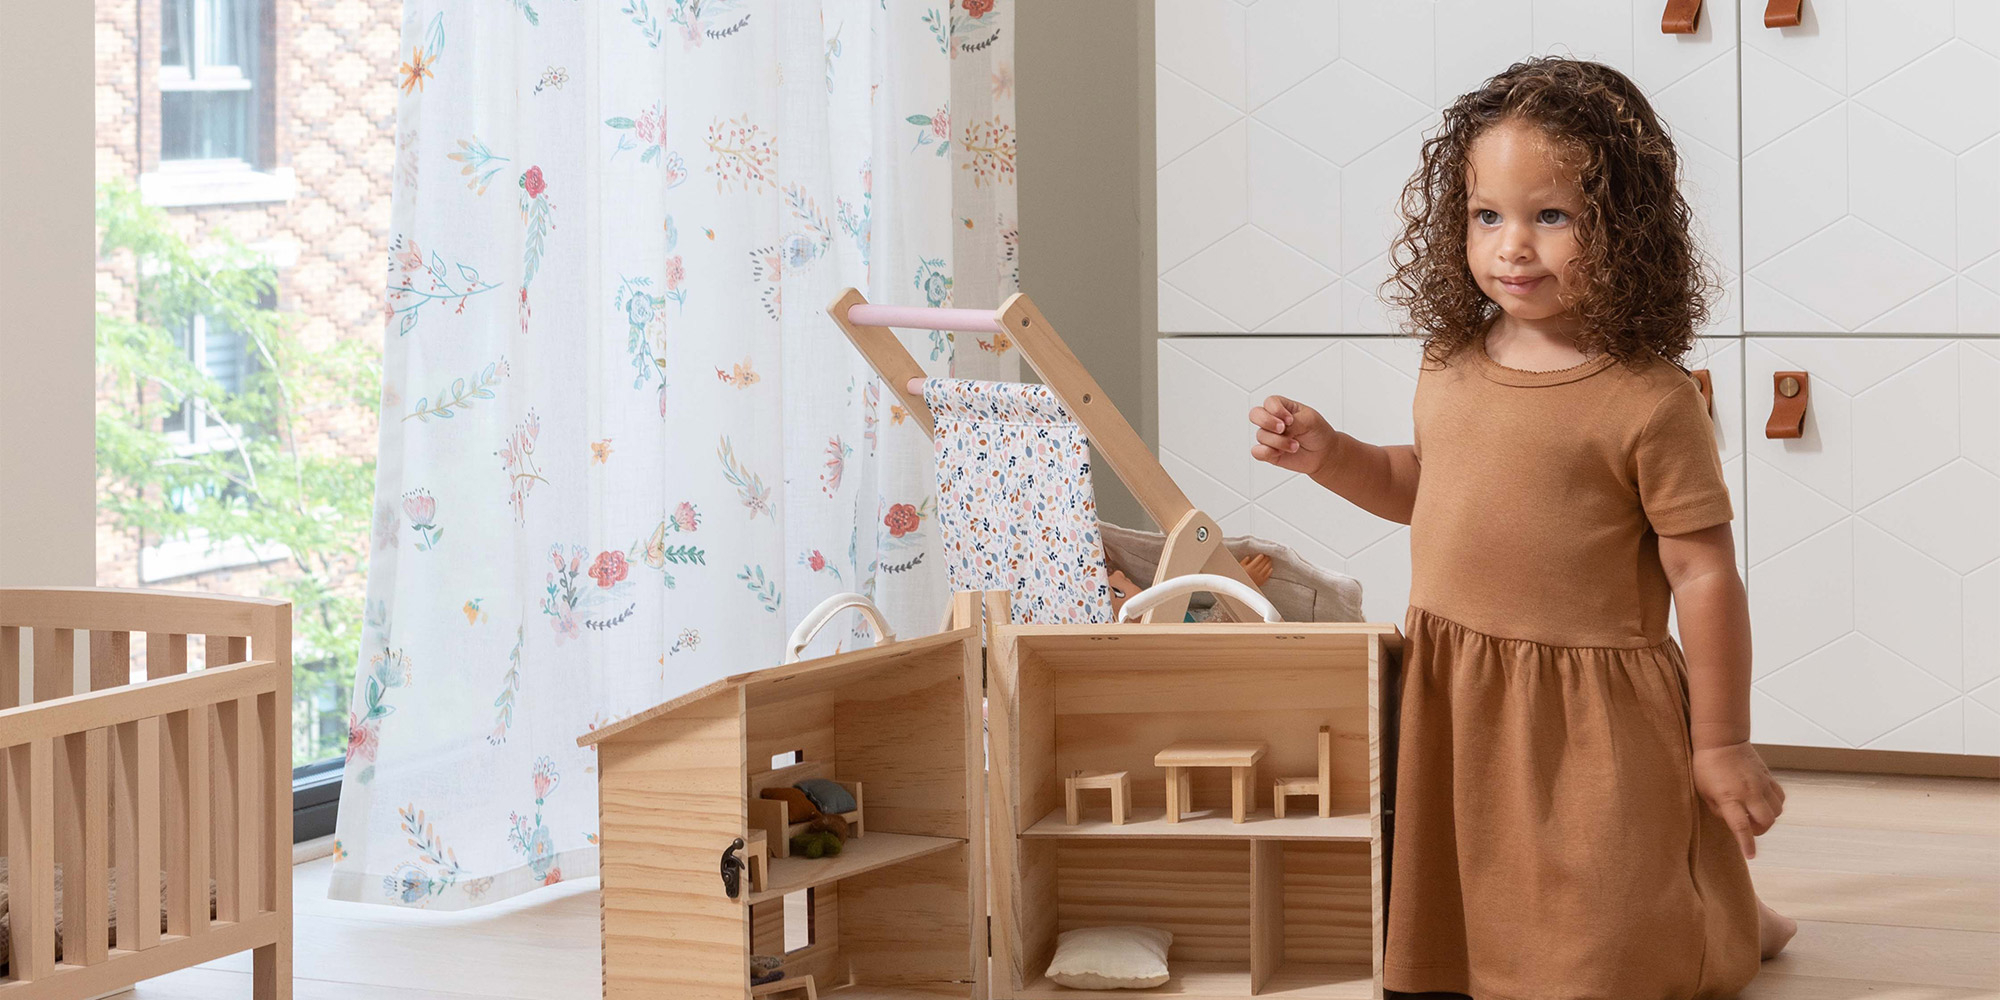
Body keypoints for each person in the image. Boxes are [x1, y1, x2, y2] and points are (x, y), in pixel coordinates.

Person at [1248, 57, 1795, 998]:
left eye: (1553, 216)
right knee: (1479, 898)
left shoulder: (1651, 398)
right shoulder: (1452, 361)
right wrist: (1332, 454)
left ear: (1626, 228)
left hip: (1596, 705)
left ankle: (1720, 922)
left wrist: (1722, 742)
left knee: (1607, 917)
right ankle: (1700, 910)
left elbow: (1705, 577)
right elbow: (1421, 483)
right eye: (1485, 215)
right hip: (1456, 680)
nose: (1513, 246)